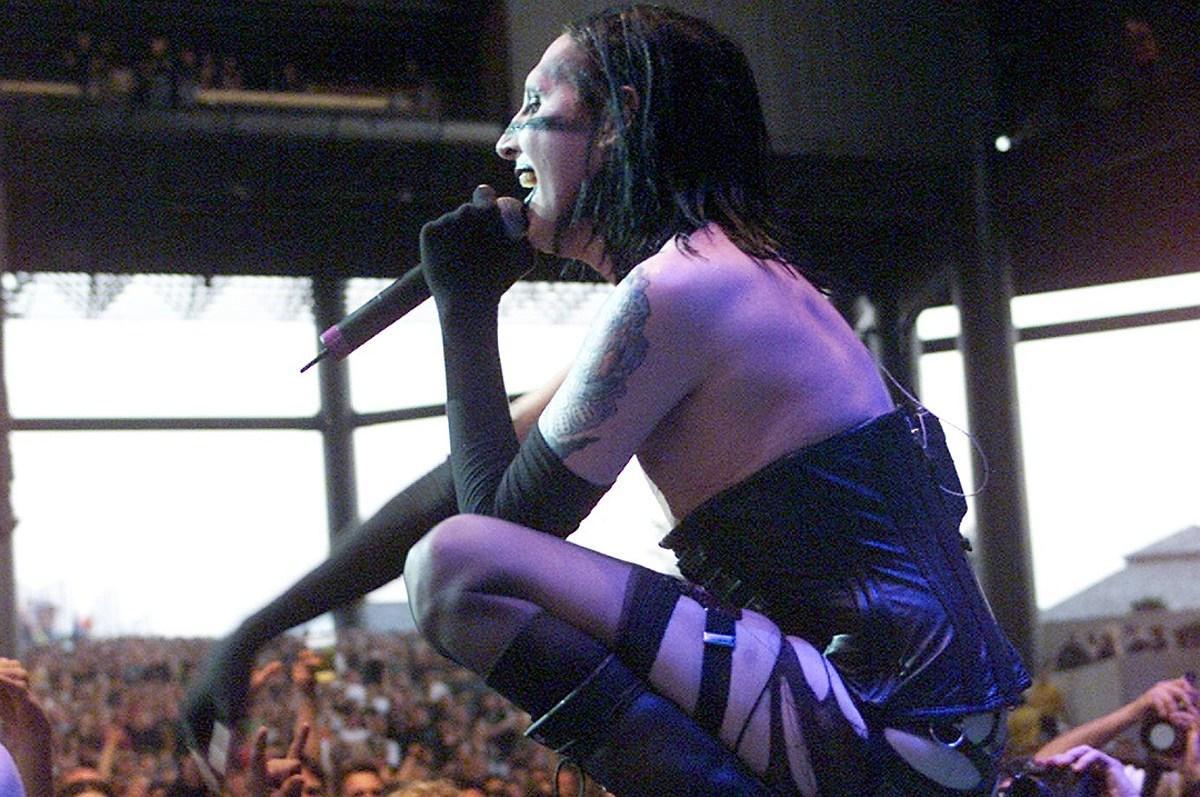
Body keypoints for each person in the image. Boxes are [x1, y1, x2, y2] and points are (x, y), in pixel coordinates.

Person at [185, 5, 1029, 795]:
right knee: (453, 551)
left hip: (896, 725)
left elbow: (491, 534)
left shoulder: (682, 288)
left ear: (618, 119)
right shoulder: (713, 280)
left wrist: (465, 307)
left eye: (534, 104)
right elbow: (454, 487)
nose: (507, 140)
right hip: (921, 726)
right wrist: (258, 627)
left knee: (452, 567)